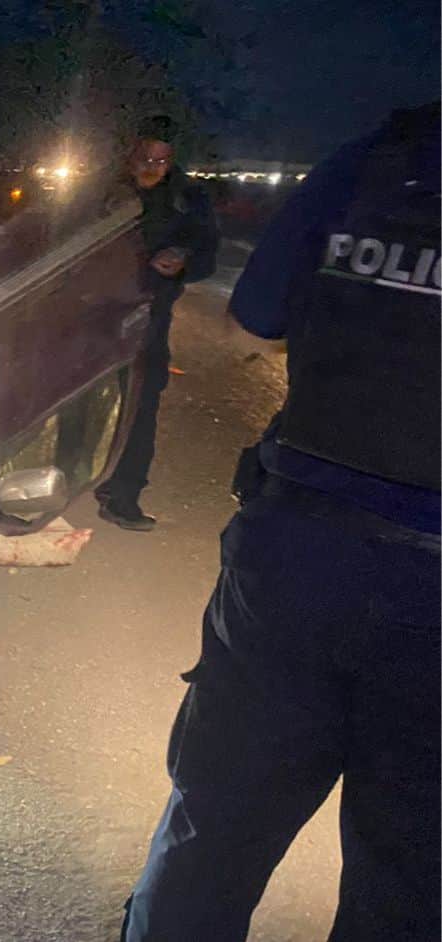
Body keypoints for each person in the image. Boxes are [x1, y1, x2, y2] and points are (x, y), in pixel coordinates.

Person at [122, 103, 440, 941]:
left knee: (214, 835)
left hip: (299, 558)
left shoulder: (375, 157)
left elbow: (251, 324)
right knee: (411, 885)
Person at [96, 116, 218, 530]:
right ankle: (70, 478)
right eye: (146, 157)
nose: (152, 167)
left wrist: (182, 259)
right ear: (131, 153)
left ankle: (122, 495)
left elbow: (207, 255)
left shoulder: (188, 200)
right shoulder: (102, 192)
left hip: (149, 320)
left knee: (141, 408)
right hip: (91, 317)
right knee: (80, 404)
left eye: (162, 161)